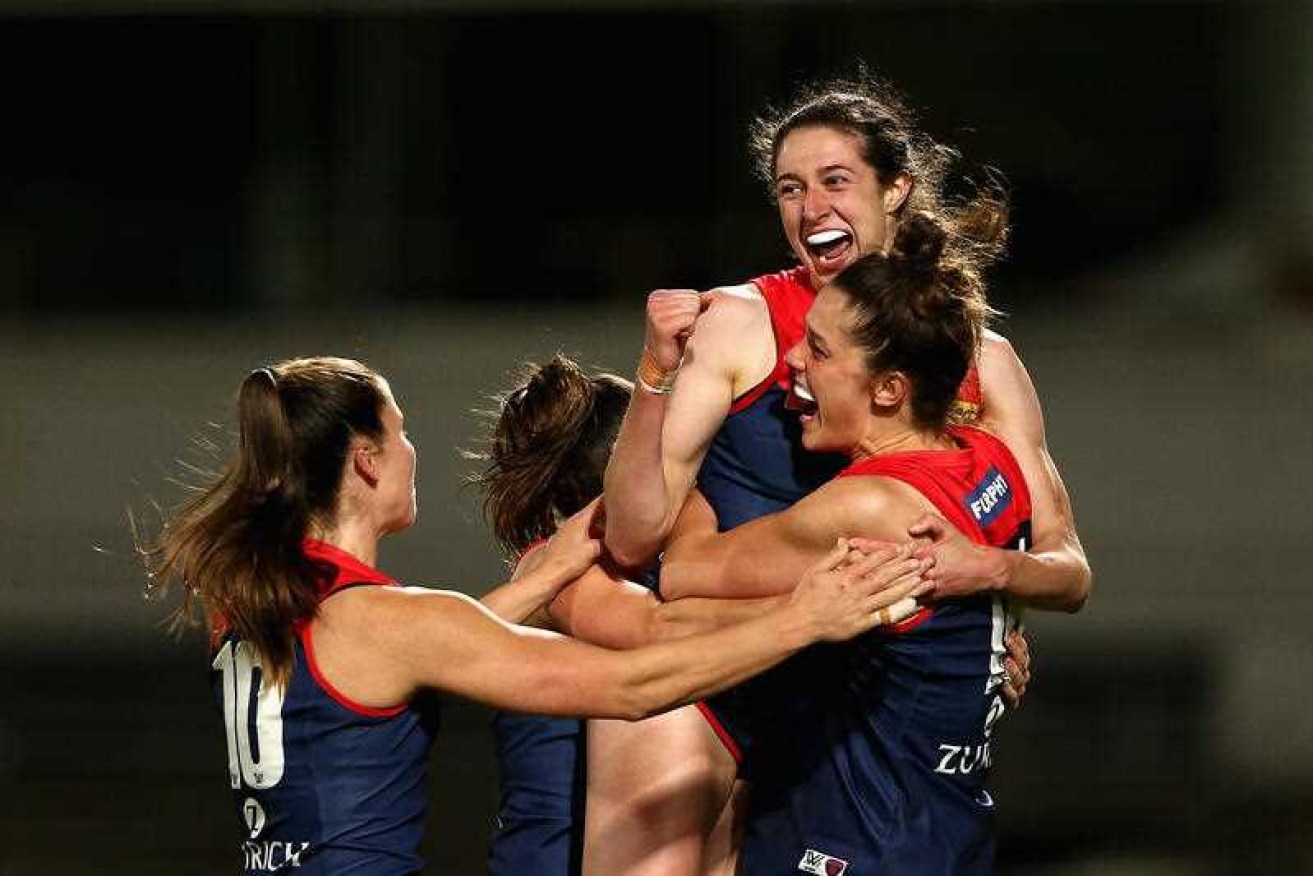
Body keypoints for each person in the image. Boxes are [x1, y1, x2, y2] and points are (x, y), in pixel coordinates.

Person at [139, 355, 929, 875]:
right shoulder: (385, 618)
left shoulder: (258, 598)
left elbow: (389, 668)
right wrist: (804, 617)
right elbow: (629, 686)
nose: (413, 450)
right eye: (401, 433)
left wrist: (540, 577)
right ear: (367, 460)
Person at [596, 69, 1088, 873]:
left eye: (834, 181)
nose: (810, 208)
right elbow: (635, 538)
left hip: (867, 702)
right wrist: (652, 381)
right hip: (720, 672)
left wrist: (987, 613)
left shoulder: (981, 357)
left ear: (895, 190)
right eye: (789, 188)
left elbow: (1060, 559)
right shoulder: (741, 321)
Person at [659, 213, 1035, 873]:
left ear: (889, 388)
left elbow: (684, 572)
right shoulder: (990, 462)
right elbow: (1060, 574)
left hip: (848, 849)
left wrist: (695, 474)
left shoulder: (867, 505)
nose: (793, 361)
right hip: (950, 834)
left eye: (820, 350)